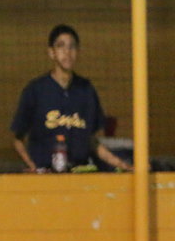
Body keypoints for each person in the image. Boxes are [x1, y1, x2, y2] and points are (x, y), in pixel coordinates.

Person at [10, 24, 131, 174]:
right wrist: (32, 166)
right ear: (51, 53)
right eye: (61, 46)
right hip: (45, 175)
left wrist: (120, 163)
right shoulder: (35, 90)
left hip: (80, 173)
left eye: (72, 47)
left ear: (78, 52)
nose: (67, 52)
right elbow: (17, 139)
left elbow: (92, 141)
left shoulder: (86, 89)